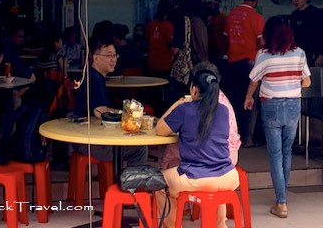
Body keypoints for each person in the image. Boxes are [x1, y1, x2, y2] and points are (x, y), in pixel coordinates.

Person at [156, 64, 239, 228]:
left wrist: (178, 102)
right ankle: (219, 225)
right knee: (215, 188)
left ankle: (172, 226)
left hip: (197, 178)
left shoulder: (185, 109)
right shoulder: (223, 110)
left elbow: (160, 129)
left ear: (194, 89)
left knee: (158, 182)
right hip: (228, 176)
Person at [245, 16, 311, 219]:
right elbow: (307, 82)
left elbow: (254, 81)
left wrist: (248, 98)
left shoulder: (264, 55)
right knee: (287, 151)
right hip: (292, 105)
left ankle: (281, 203)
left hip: (271, 105)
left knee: (275, 154)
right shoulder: (299, 53)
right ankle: (282, 199)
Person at [72, 36, 147, 168]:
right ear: (95, 57)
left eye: (115, 55)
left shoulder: (94, 76)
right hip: (90, 141)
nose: (113, 59)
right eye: (108, 55)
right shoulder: (95, 79)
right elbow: (101, 112)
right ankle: (130, 186)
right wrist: (126, 115)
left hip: (84, 137)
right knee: (140, 148)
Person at [225, 0, 265, 146]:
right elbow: (262, 43)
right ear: (256, 0)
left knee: (233, 101)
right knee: (250, 102)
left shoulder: (230, 15)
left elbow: (225, 39)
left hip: (232, 63)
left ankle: (233, 137)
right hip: (250, 64)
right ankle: (247, 139)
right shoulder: (256, 17)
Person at [288, 0, 323, 66]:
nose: (296, 0)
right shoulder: (294, 15)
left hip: (315, 53)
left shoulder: (316, 13)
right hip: (299, 54)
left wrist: (322, 55)